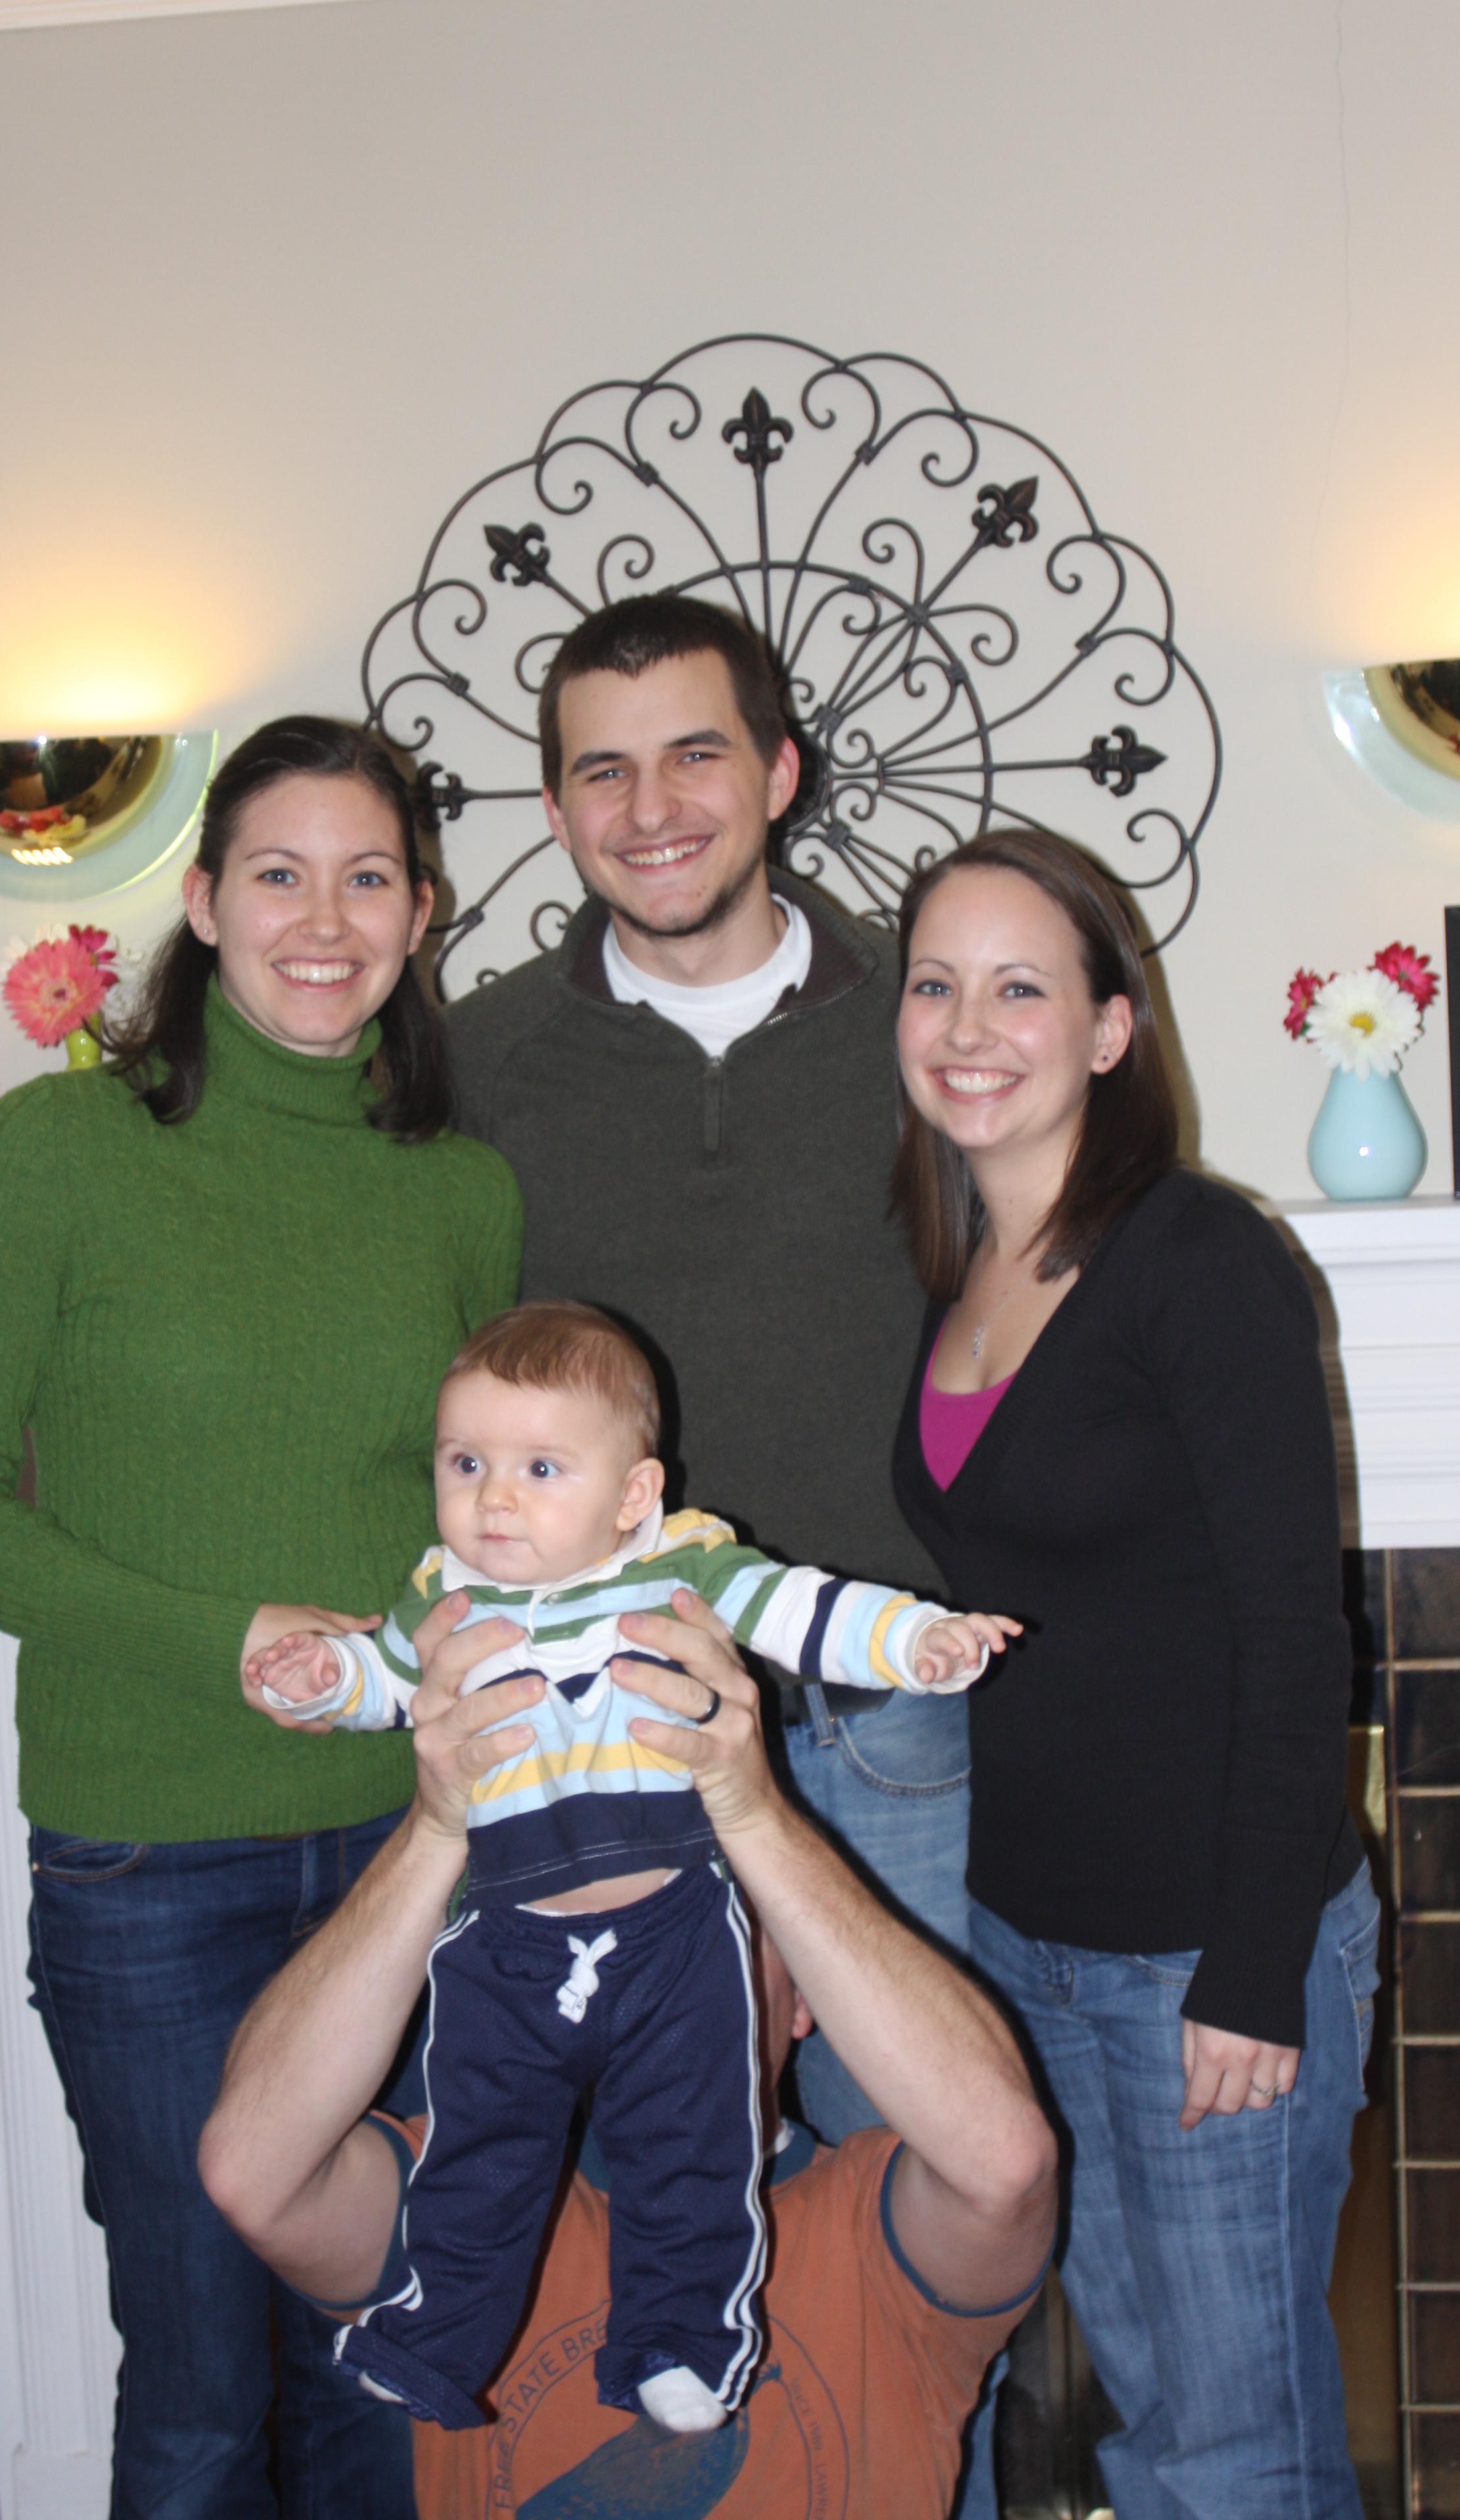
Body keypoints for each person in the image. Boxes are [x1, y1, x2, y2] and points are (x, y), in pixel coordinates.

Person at [0, 718, 522, 2520]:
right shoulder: (62, 1149)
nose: (326, 920)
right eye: (280, 874)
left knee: (377, 2369)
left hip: (407, 1853)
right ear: (207, 899)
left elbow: (476, 1515)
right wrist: (224, 1640)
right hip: (149, 1863)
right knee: (195, 2390)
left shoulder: (460, 1187)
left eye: (369, 878)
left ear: (421, 913)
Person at [241, 1301, 1011, 2438]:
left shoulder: (677, 1570)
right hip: (504, 1931)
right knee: (478, 2144)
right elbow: (383, 1681)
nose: (495, 1499)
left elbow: (802, 1610)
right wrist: (324, 1677)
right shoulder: (443, 1594)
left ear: (632, 1495)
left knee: (690, 2140)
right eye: (465, 1463)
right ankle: (433, 2331)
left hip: (673, 1924)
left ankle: (684, 2339)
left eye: (540, 1468)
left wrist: (913, 1640)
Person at [885, 826, 1380, 2519]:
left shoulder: (1200, 1258)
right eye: (936, 985)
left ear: (1111, 1030)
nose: (969, 1026)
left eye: (1020, 988)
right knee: (1147, 2408)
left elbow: (1297, 1635)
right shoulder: (960, 1266)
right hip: (1030, 1936)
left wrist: (1250, 1968)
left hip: (1203, 1955)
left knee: (1240, 2447)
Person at [199, 1581, 1057, 2519]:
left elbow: (1005, 2165)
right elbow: (254, 2173)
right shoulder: (478, 2201)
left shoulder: (874, 2237)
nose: (638, 1962)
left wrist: (754, 1816)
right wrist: (442, 1825)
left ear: (809, 1994)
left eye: (712, 1919)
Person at [444, 592, 967, 2090]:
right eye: (604, 771)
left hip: (886, 1718)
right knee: (654, 2169)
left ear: (779, 772)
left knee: (913, 2148)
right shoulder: (480, 1061)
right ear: (557, 811)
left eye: (695, 755)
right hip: (602, 1731)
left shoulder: (929, 1022)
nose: (652, 809)